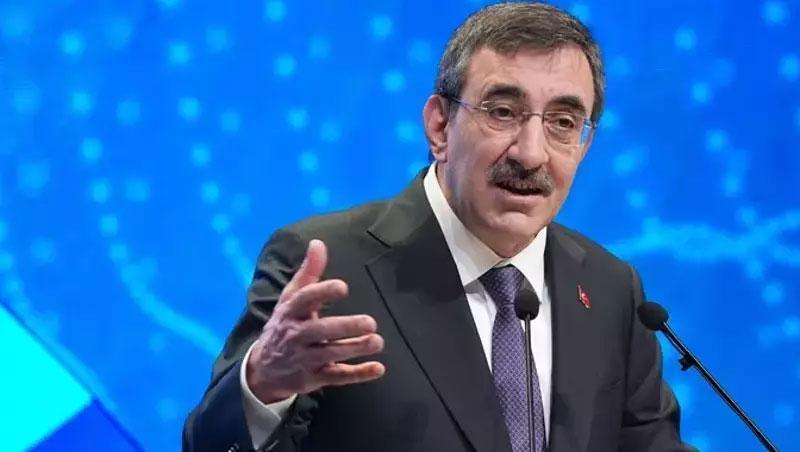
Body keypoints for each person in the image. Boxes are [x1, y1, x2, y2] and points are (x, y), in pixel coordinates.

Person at [183, 3, 696, 451]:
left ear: (584, 144)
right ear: (439, 126)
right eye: (503, 112)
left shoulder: (610, 289)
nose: (531, 153)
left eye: (562, 123)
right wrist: (263, 388)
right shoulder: (328, 269)